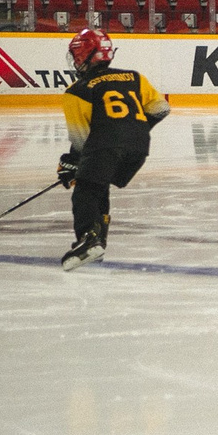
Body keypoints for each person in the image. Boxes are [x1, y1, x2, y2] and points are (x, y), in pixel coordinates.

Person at [56, 27, 170, 272]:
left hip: (106, 145)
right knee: (99, 184)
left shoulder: (77, 90)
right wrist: (132, 126)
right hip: (139, 147)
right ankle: (99, 240)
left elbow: (80, 139)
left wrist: (69, 164)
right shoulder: (133, 77)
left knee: (85, 190)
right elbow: (161, 108)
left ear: (84, 56)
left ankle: (88, 238)